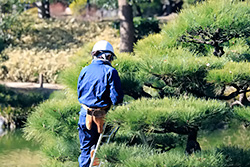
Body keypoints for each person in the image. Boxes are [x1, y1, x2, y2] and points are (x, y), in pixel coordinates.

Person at [77, 40, 124, 167]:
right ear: (108, 56)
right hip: (101, 117)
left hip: (84, 115)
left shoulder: (84, 70)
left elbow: (79, 92)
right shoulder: (110, 71)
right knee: (99, 152)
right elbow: (116, 98)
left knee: (85, 150)